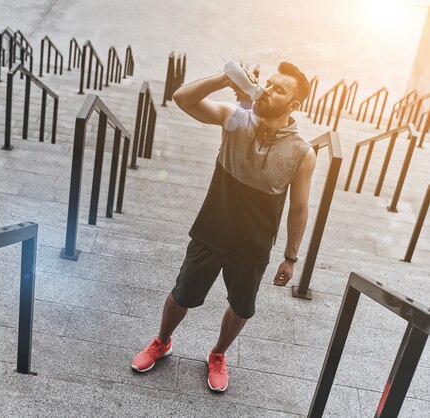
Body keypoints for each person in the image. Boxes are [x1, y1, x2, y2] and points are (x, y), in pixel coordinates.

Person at [131, 62, 316, 393]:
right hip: (212, 230)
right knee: (182, 294)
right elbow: (183, 98)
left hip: (254, 245)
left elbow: (299, 208)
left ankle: (217, 354)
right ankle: (162, 341)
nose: (268, 89)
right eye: (269, 83)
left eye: (279, 89)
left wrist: (291, 257)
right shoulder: (237, 117)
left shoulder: (302, 152)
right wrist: (223, 78)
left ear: (295, 105)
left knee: (242, 306)